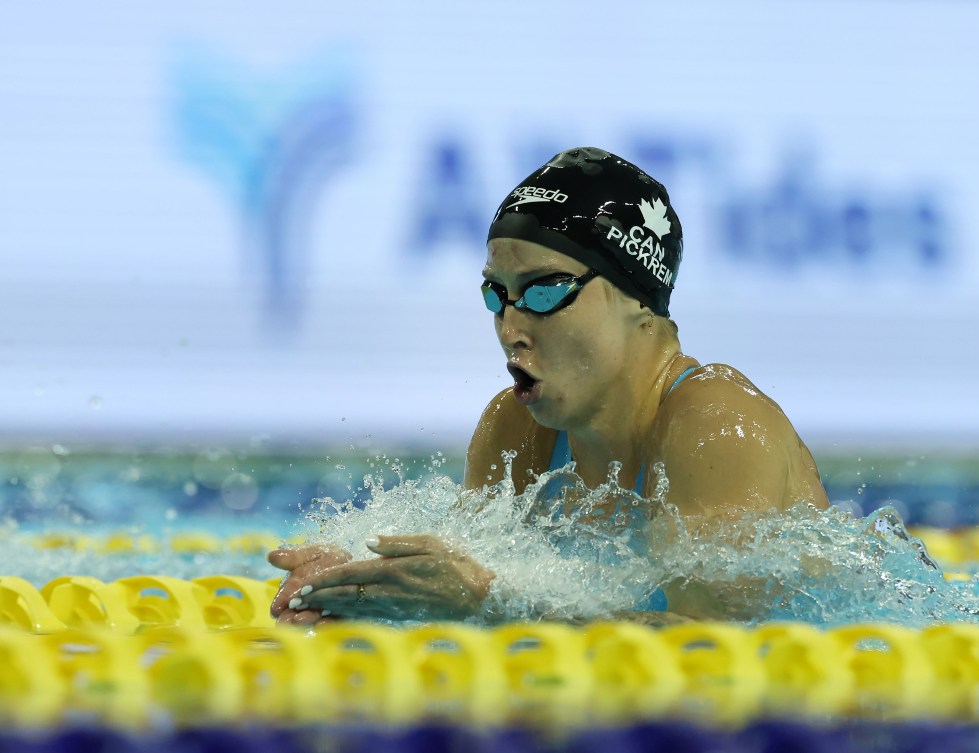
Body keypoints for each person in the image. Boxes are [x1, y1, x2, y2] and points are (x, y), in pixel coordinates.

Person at [268, 147, 829, 624]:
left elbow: (707, 648)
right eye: (497, 296)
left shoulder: (716, 426)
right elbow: (470, 590)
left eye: (544, 292)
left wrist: (489, 600)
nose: (511, 330)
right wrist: (372, 589)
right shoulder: (515, 431)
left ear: (637, 298)